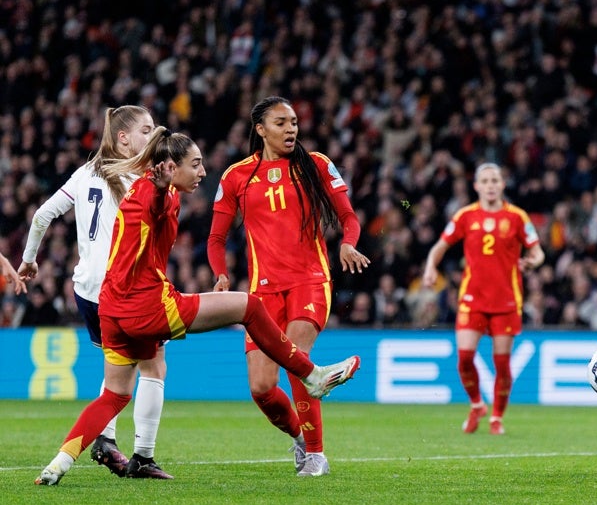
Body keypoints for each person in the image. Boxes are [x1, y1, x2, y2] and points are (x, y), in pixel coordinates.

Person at [35, 127, 360, 486]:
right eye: (196, 164)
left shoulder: (144, 187)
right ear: (171, 168)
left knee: (114, 395)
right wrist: (161, 190)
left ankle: (58, 464)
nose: (203, 172)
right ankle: (311, 375)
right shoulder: (159, 192)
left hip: (112, 309)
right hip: (148, 306)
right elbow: (156, 207)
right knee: (249, 306)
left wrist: (160, 188)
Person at [208, 96, 368, 478]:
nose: (291, 128)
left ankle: (317, 455)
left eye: (294, 121)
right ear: (261, 129)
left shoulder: (316, 165)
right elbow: (215, 237)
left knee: (296, 362)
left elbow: (348, 216)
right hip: (262, 292)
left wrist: (348, 242)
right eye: (281, 123)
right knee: (262, 387)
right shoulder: (236, 176)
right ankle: (299, 436)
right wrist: (221, 274)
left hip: (310, 281)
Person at [18, 105, 173, 479]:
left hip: (85, 290)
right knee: (153, 365)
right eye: (146, 130)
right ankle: (144, 456)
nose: (152, 137)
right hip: (122, 288)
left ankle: (105, 439)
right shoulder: (141, 178)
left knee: (116, 365)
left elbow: (41, 216)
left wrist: (29, 260)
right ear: (123, 138)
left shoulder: (84, 172)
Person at [422, 162, 545, 435]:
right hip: (472, 299)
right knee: (465, 357)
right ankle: (477, 404)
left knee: (501, 363)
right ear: (476, 186)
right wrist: (431, 268)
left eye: (495, 180)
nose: (490, 185)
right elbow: (439, 247)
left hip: (506, 301)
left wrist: (532, 262)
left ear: (502, 185)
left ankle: (496, 418)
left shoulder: (517, 217)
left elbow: (538, 252)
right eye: (485, 181)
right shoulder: (466, 216)